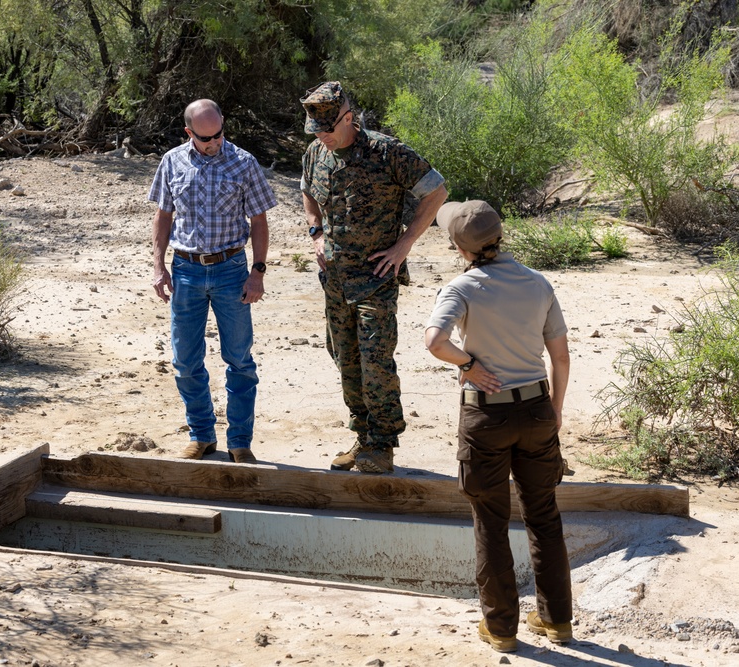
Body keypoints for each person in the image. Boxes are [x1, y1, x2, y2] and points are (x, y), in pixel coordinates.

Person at [425, 200, 574, 653]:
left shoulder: (462, 287)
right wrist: (555, 409)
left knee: (490, 521)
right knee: (544, 515)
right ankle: (557, 623)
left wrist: (467, 363)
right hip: (536, 410)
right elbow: (561, 357)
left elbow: (434, 342)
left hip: (486, 415)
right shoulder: (537, 283)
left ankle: (501, 628)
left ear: (457, 245)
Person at [300, 80, 451, 475]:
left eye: (329, 130)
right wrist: (316, 233)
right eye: (316, 130)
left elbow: (436, 192)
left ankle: (383, 445)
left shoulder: (387, 152)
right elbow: (307, 192)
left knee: (374, 360)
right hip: (335, 279)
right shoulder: (317, 152)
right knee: (344, 358)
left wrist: (404, 245)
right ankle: (363, 436)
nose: (323, 137)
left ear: (349, 118)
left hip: (375, 277)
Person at [147, 98, 276, 464]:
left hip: (231, 270)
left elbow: (260, 221)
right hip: (185, 271)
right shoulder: (172, 161)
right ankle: (201, 435)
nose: (214, 142)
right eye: (206, 138)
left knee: (239, 360)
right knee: (185, 361)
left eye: (219, 134)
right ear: (189, 133)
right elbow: (162, 216)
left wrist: (258, 271)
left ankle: (239, 442)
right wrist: (159, 266)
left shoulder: (243, 162)